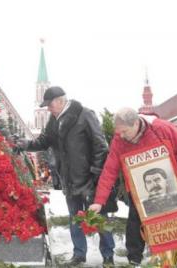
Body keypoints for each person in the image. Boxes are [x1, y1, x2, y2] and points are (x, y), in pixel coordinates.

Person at [16, 86, 116, 266]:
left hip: (89, 178)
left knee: (99, 218)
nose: (48, 108)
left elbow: (101, 145)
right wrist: (26, 144)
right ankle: (79, 254)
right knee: (74, 217)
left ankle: (108, 255)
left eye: (50, 104)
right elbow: (44, 141)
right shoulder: (54, 120)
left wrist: (96, 172)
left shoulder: (84, 114)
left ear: (61, 101)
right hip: (68, 179)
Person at [88, 107, 177, 266]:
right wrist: (99, 201)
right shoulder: (119, 139)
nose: (121, 135)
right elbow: (109, 170)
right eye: (119, 132)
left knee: (172, 229)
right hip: (138, 191)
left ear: (135, 123)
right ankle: (134, 261)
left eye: (125, 131)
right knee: (134, 227)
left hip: (169, 189)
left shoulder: (162, 128)